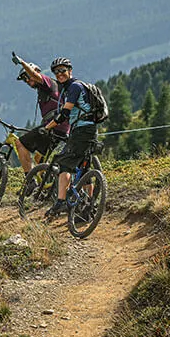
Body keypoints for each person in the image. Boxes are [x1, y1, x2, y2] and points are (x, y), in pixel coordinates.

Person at [41, 57, 98, 220]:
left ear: (70, 71)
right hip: (90, 129)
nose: (59, 74)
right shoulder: (75, 86)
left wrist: (47, 127)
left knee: (64, 164)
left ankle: (60, 202)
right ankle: (89, 207)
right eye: (56, 72)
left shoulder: (74, 87)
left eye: (62, 70)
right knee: (83, 168)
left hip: (81, 130)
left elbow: (64, 114)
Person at [12, 52, 69, 174]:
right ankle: (49, 183)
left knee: (19, 143)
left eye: (27, 77)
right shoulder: (45, 88)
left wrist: (22, 63)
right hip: (61, 128)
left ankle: (30, 179)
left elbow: (34, 75)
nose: (27, 81)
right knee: (39, 159)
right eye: (24, 80)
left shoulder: (47, 82)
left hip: (52, 126)